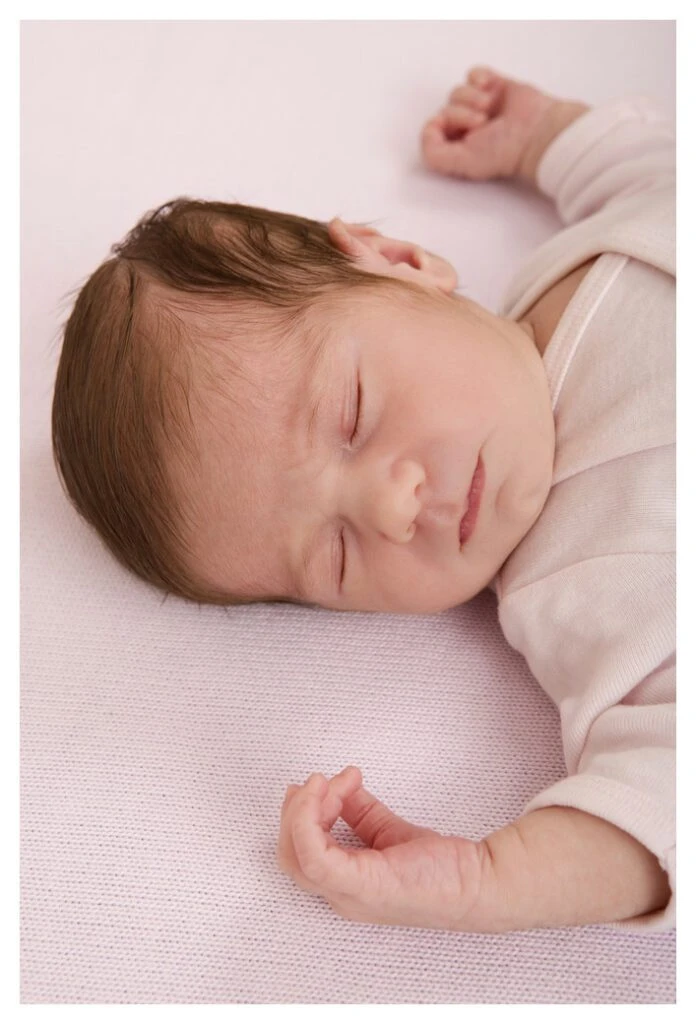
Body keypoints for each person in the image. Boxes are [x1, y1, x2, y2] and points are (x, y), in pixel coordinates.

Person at [51, 66, 675, 933]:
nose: (392, 509)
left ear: (399, 262)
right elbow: (663, 800)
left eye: (352, 414)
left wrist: (548, 137)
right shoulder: (580, 595)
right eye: (336, 555)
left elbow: (652, 163)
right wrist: (484, 880)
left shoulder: (594, 251)